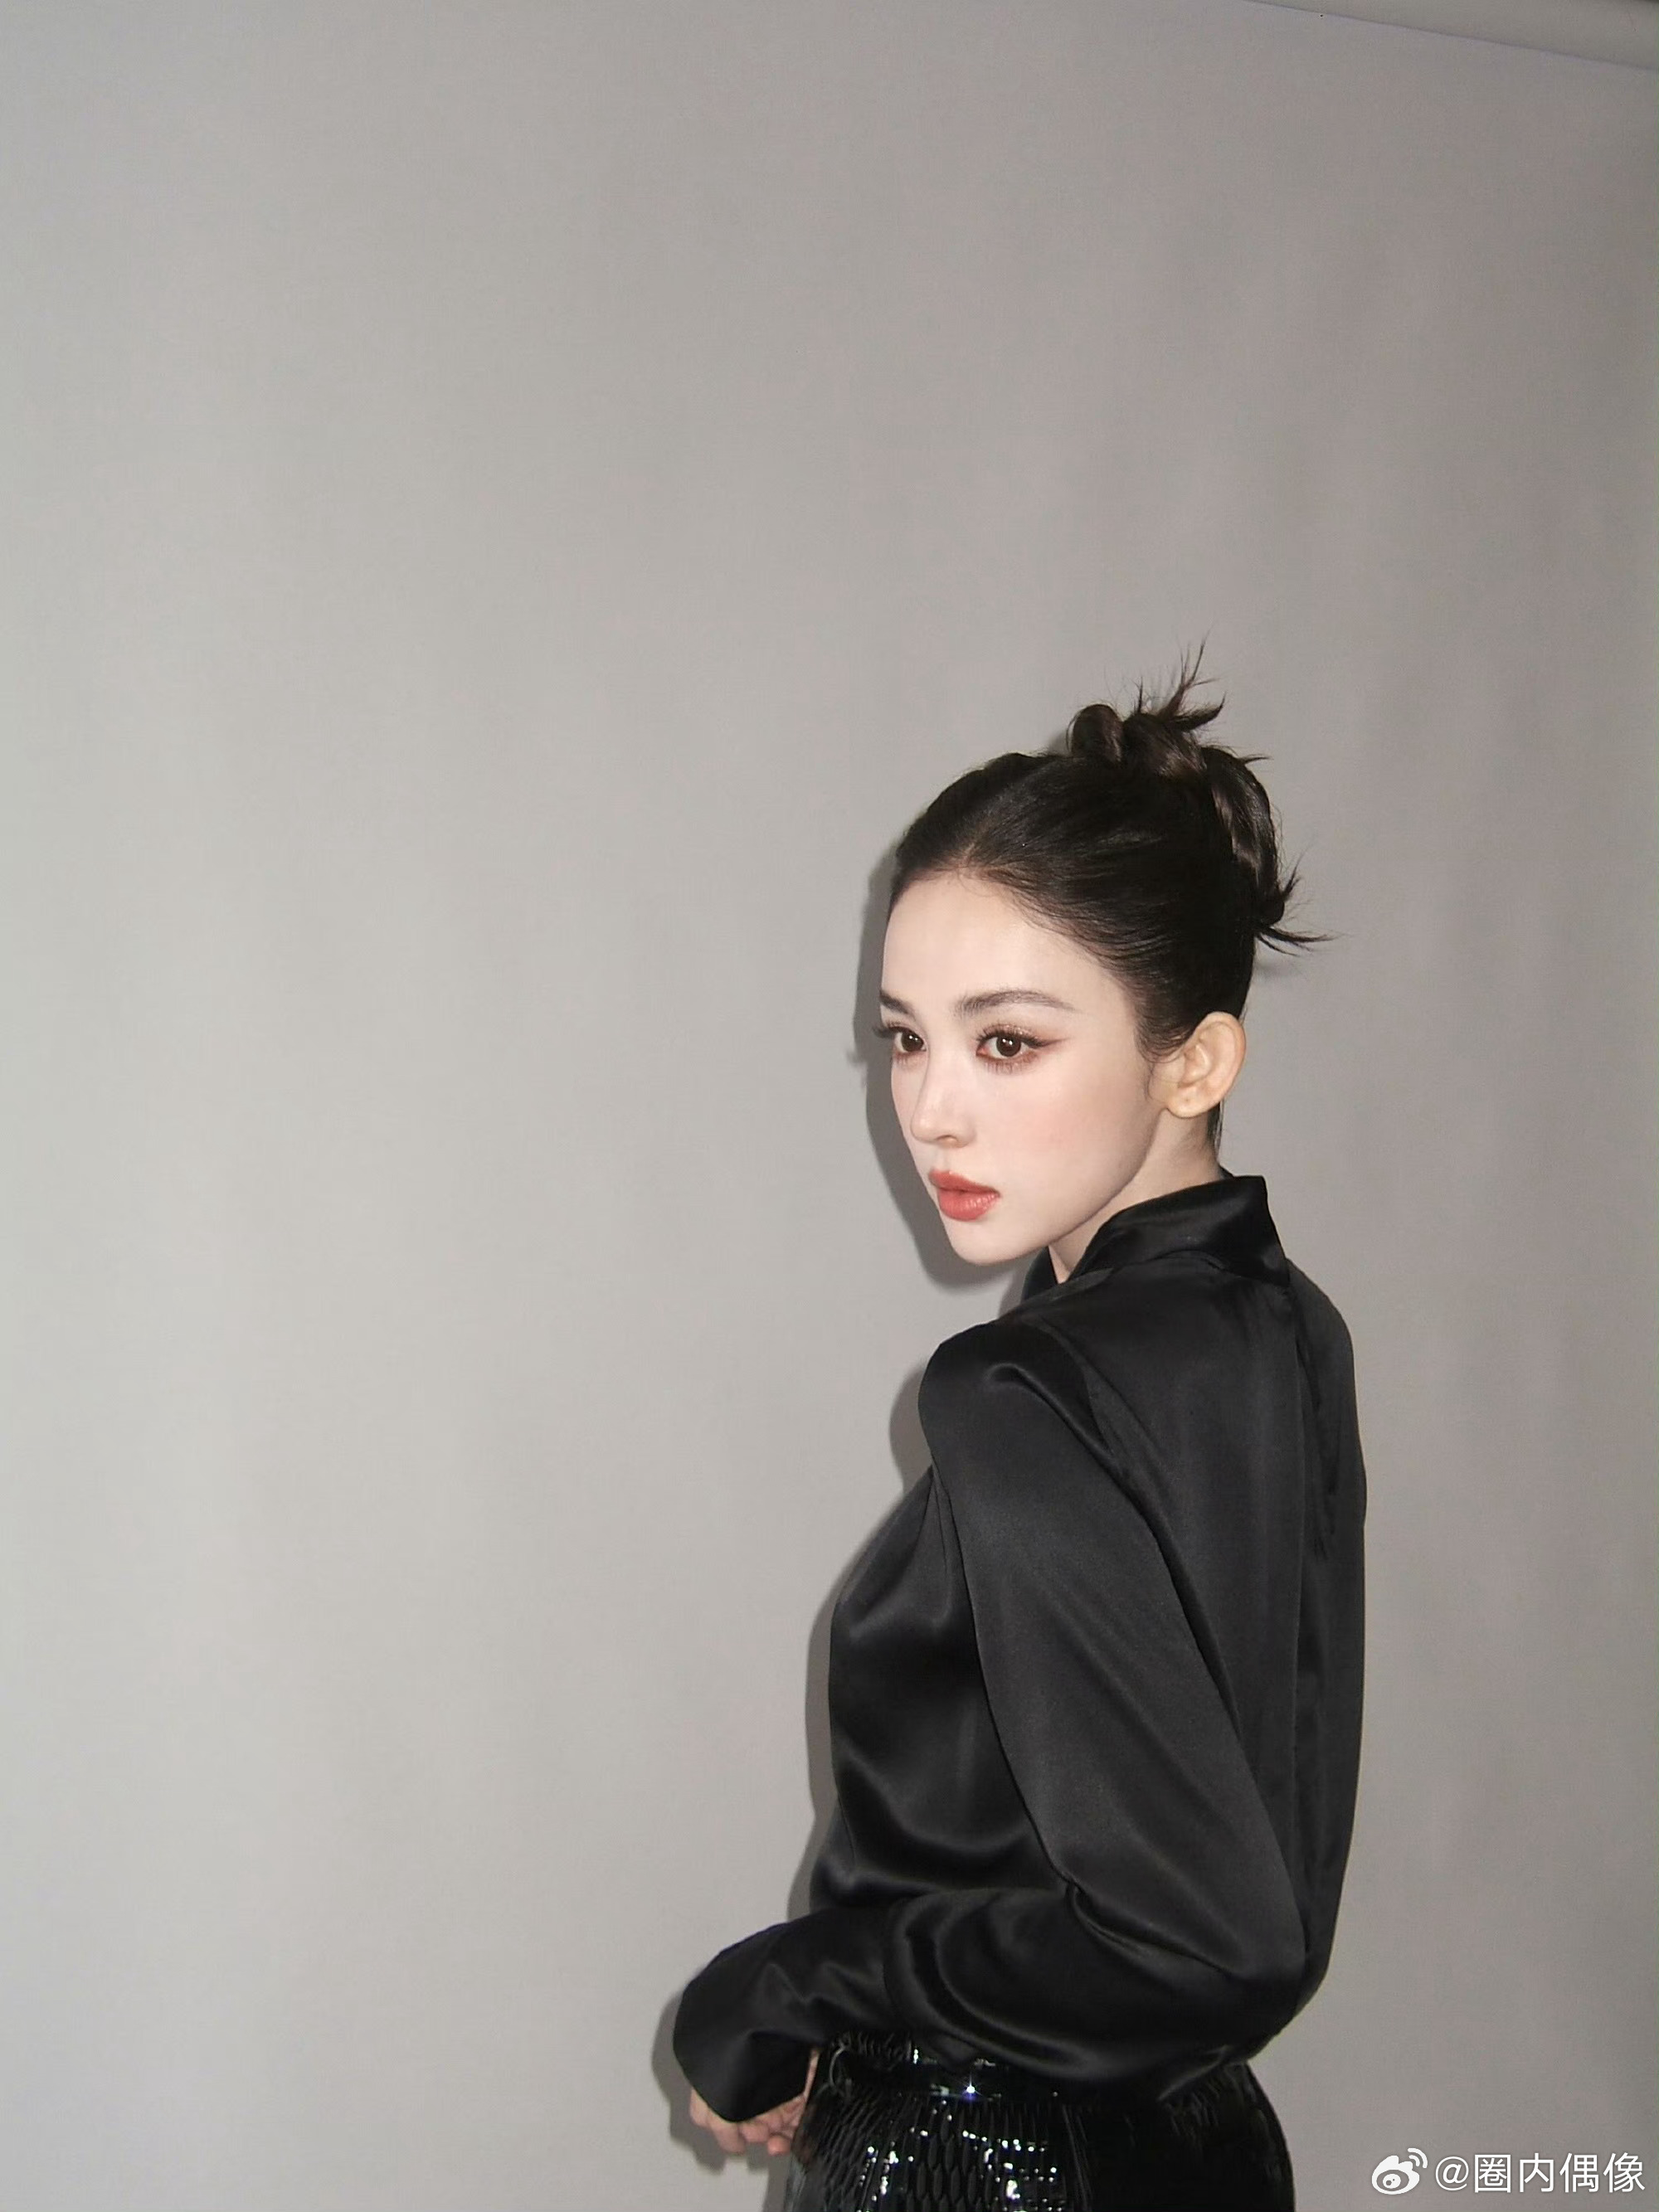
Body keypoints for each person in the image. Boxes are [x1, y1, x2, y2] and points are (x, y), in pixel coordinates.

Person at [671, 664, 1366, 2211]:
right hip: (1202, 2147)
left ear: (1195, 1060)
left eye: (1006, 1044)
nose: (928, 1112)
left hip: (985, 2156)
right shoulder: (1286, 1326)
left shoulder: (1022, 1392)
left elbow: (1204, 1942)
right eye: (904, 1039)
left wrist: (793, 1984)